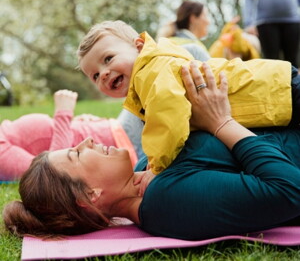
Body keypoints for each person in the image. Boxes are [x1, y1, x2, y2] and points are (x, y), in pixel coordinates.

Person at [4, 63, 300, 240]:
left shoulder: (151, 163)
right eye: (77, 155)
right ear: (89, 196)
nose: (87, 142)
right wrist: (221, 122)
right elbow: (289, 189)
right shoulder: (166, 203)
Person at [77, 20, 300, 179]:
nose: (103, 73)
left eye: (108, 59)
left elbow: (169, 121)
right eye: (95, 75)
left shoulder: (152, 72)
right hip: (274, 94)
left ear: (139, 47)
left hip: (274, 90)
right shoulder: (146, 80)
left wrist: (156, 167)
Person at [0, 89, 137, 181]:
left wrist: (75, 122)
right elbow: (51, 173)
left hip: (115, 129)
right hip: (121, 144)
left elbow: (50, 136)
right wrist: (63, 112)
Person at [242, 0, 300, 67]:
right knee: (271, 63)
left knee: (293, 61)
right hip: (266, 23)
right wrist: (249, 22)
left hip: (292, 20)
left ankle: (294, 84)